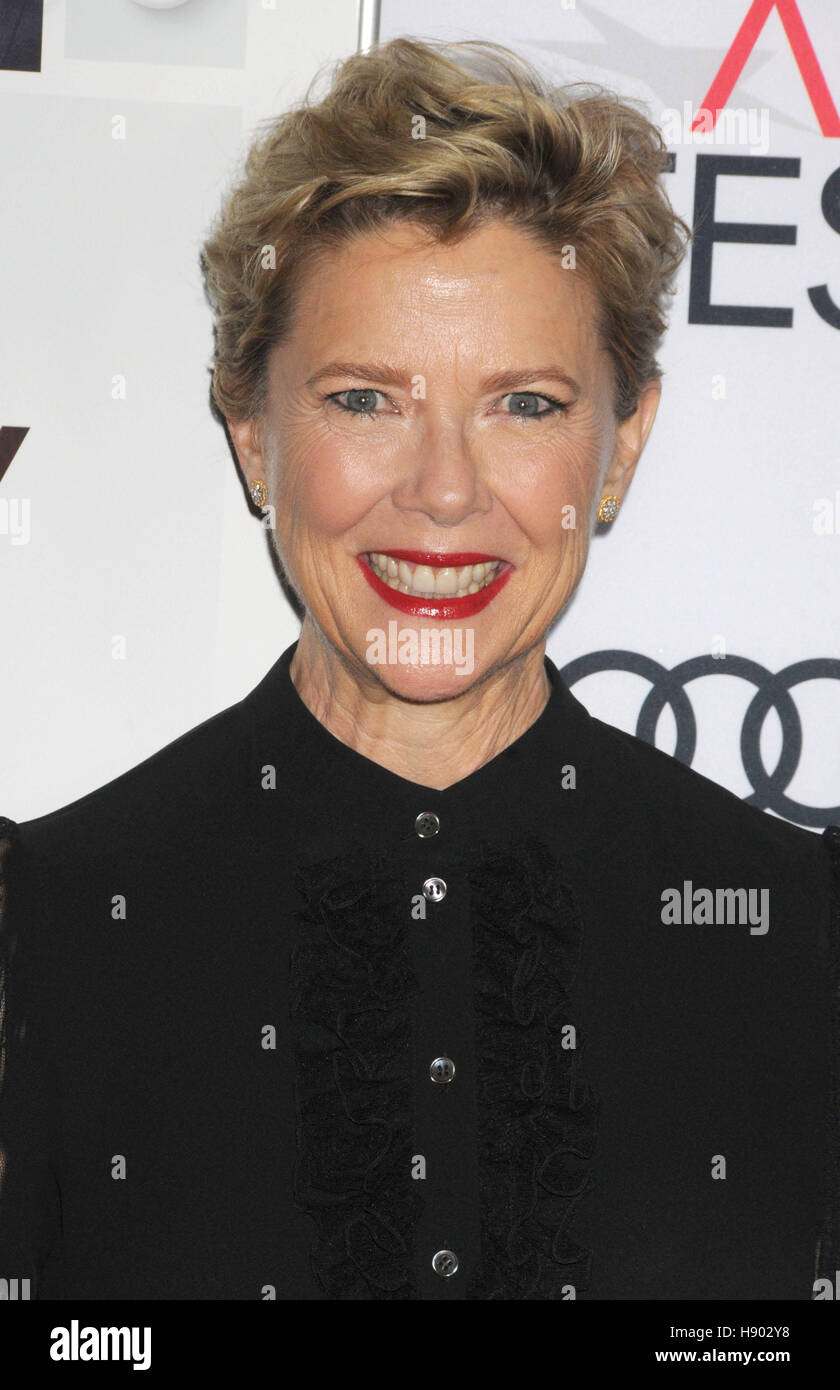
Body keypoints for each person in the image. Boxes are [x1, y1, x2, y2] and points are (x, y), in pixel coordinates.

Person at [0, 36, 837, 1301]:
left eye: (527, 406)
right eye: (363, 400)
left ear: (621, 448)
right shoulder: (48, 935)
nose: (443, 491)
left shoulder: (798, 941)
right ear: (249, 435)